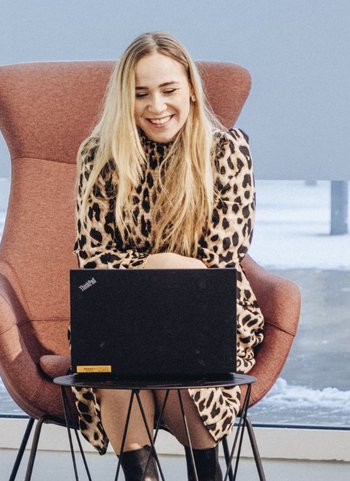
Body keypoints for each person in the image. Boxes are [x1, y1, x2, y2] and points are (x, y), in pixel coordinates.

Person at [72, 32, 264, 481]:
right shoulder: (97, 156)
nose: (156, 106)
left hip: (211, 315)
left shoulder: (226, 150)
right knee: (114, 358)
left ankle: (207, 470)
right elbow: (93, 257)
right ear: (125, 99)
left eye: (168, 90)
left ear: (192, 90)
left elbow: (220, 260)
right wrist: (158, 267)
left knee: (178, 355)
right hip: (119, 315)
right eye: (141, 94)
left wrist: (143, 267)